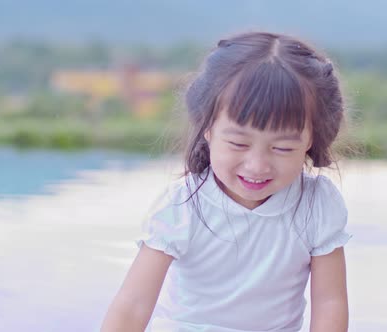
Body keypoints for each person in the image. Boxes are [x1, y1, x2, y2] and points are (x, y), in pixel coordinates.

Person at [102, 31, 352, 332]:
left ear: (311, 139)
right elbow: (133, 303)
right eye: (238, 144)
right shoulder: (183, 205)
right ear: (207, 129)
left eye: (282, 148)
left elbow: (329, 304)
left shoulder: (316, 204)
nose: (257, 165)